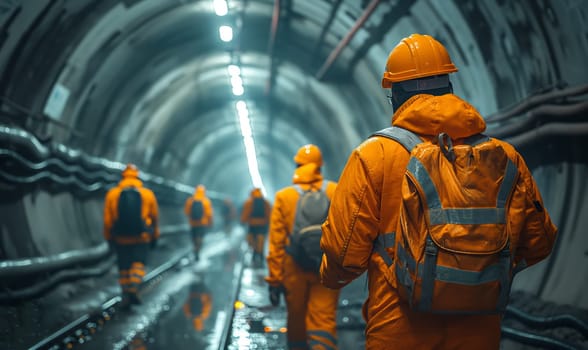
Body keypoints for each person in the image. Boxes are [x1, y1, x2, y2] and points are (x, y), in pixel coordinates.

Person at [319, 33, 558, 349]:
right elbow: (538, 243)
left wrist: (330, 278)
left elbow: (344, 251)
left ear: (398, 95)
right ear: (449, 87)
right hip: (478, 333)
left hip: (400, 330)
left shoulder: (374, 155)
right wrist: (481, 267)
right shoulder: (503, 156)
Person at [265, 144, 340, 350]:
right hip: (326, 267)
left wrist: (274, 279)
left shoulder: (284, 196)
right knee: (323, 319)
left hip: (294, 268)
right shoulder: (334, 190)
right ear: (320, 167)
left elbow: (277, 243)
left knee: (296, 318)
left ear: (297, 165)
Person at [103, 163, 159, 307]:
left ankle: (125, 293)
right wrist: (155, 235)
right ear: (137, 176)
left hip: (121, 237)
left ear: (123, 176)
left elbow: (108, 220)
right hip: (142, 237)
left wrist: (109, 236)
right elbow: (154, 218)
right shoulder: (147, 194)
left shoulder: (113, 194)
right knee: (139, 263)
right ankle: (133, 287)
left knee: (123, 266)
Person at [240, 188, 272, 266]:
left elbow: (246, 213)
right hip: (263, 225)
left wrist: (243, 221)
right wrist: (270, 223)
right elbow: (269, 214)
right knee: (261, 240)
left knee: (253, 240)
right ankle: (260, 255)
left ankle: (254, 254)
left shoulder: (249, 202)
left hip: (252, 225)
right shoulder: (266, 202)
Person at [184, 184, 214, 262]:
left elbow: (186, 212)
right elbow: (209, 214)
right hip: (202, 223)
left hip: (193, 223)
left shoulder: (190, 200)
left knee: (194, 238)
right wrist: (210, 223)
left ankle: (195, 249)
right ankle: (197, 250)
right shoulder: (206, 201)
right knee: (200, 238)